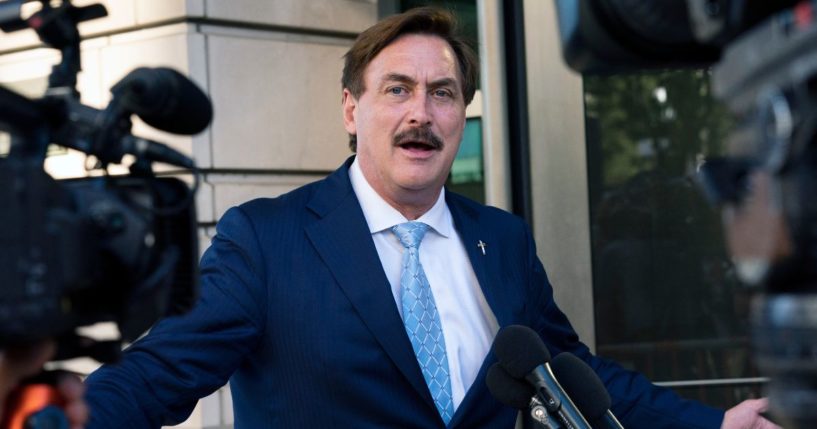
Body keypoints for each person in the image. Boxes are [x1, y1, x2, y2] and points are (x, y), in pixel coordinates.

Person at [84, 7, 778, 428]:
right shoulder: (266, 237)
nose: (421, 111)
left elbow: (572, 371)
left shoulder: (501, 239)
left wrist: (711, 420)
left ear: (462, 114)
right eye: (397, 90)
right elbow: (160, 371)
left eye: (443, 93)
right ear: (352, 110)